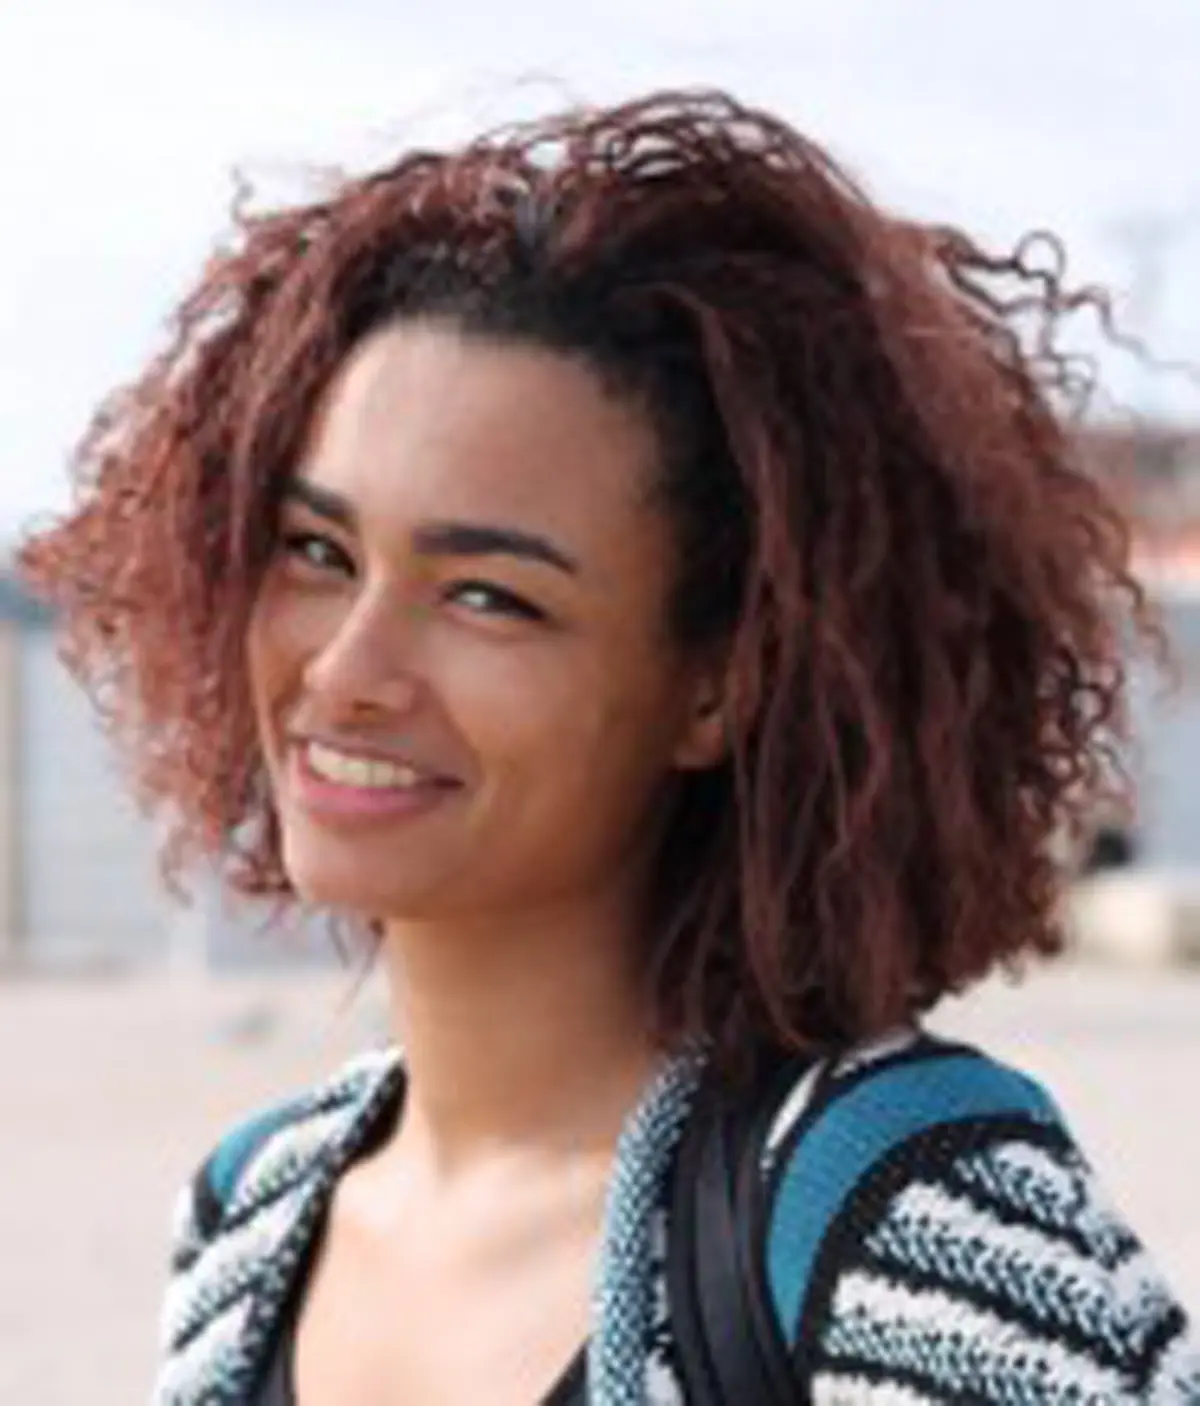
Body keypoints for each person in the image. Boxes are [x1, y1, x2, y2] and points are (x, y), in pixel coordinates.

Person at [19, 89, 1199, 1404]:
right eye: (318, 550)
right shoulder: (245, 1223)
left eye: (489, 596)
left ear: (717, 686)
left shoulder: (896, 1217)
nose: (344, 671)